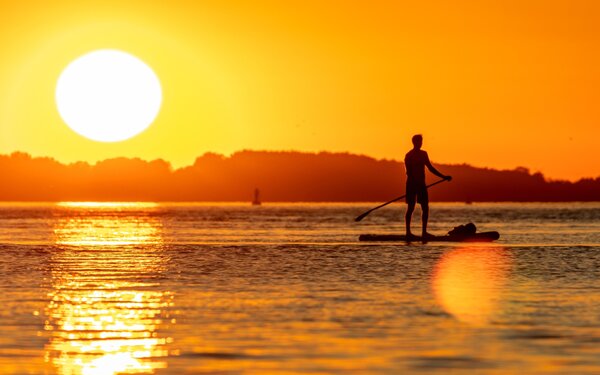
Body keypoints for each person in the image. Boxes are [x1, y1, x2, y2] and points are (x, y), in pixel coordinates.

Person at [404, 134, 452, 239]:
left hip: (421, 184)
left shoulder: (424, 154)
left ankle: (424, 232)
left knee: (425, 208)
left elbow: (430, 168)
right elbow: (409, 173)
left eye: (421, 141)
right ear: (414, 142)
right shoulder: (409, 155)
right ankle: (408, 233)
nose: (420, 143)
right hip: (411, 185)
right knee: (411, 208)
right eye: (418, 141)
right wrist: (415, 185)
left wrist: (443, 176)